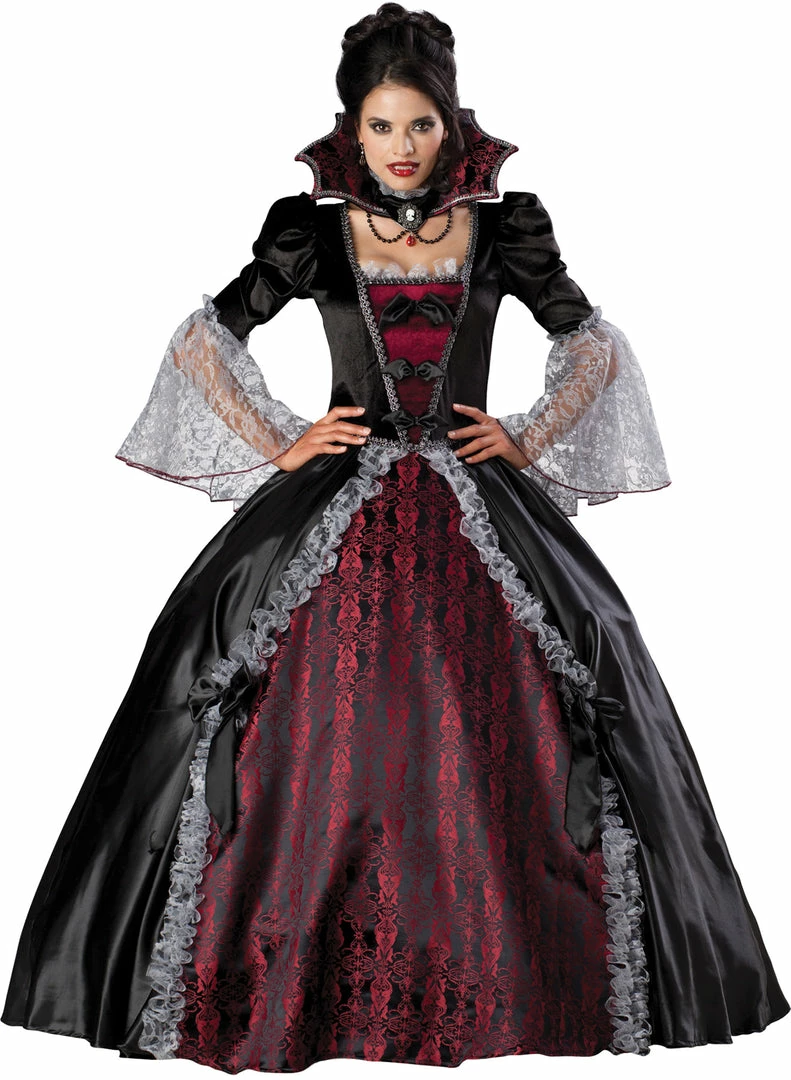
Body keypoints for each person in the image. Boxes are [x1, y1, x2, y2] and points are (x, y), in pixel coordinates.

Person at [2, 2, 788, 1071]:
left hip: (475, 505)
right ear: (352, 129)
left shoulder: (505, 227)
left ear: (451, 123)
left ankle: (509, 978)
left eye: (420, 124)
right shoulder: (311, 231)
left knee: (534, 706)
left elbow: (590, 342)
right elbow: (205, 338)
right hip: (336, 507)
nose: (402, 146)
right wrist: (284, 443)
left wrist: (524, 436)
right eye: (381, 126)